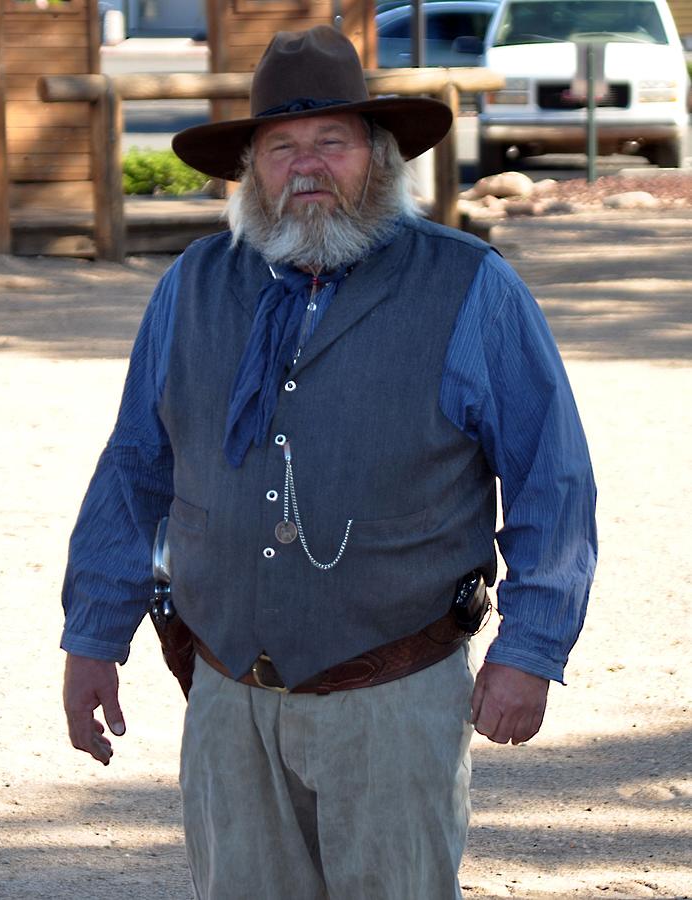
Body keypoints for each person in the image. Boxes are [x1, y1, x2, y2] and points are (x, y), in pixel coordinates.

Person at [62, 25, 597, 900]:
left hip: (394, 690)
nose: (306, 167)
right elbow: (135, 467)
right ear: (252, 170)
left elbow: (552, 476)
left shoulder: (470, 286)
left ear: (377, 158)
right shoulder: (193, 285)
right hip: (226, 697)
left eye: (331, 143)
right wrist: (93, 633)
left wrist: (531, 647)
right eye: (281, 148)